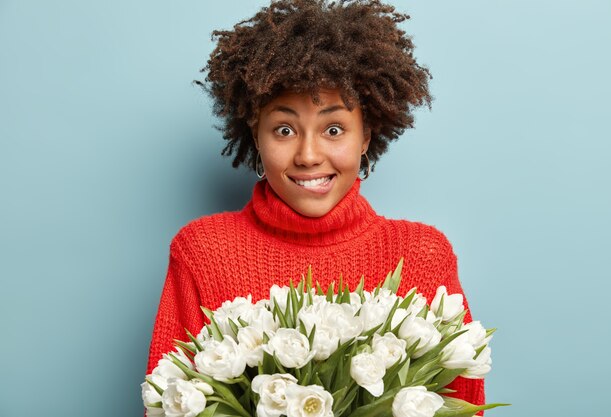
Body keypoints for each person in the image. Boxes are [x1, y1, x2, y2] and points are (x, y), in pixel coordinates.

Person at [145, 0, 485, 413]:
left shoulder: (423, 255)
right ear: (255, 135)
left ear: (365, 136)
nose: (308, 155)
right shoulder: (202, 251)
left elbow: (464, 405)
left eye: (334, 129)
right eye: (284, 129)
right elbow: (166, 404)